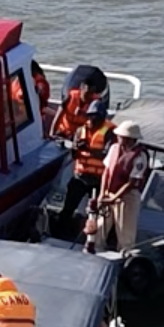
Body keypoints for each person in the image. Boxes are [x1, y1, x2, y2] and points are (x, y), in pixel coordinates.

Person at [89, 120, 149, 254]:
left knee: (125, 230)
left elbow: (131, 182)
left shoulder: (140, 156)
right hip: (110, 192)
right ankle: (95, 249)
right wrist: (102, 193)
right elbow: (107, 171)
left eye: (121, 136)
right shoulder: (114, 148)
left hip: (127, 196)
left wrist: (114, 198)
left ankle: (125, 254)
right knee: (100, 226)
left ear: (130, 139)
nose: (118, 138)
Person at [56, 98, 112, 239]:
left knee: (100, 212)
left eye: (96, 116)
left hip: (99, 179)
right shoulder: (80, 130)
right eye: (90, 116)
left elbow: (108, 154)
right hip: (81, 176)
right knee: (68, 207)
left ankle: (97, 237)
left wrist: (88, 149)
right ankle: (61, 231)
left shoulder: (109, 131)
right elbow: (74, 154)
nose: (92, 119)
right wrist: (76, 147)